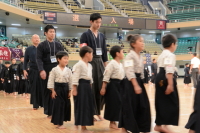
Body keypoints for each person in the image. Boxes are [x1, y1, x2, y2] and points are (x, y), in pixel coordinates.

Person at [119, 34, 151, 133]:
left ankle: (142, 127)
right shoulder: (129, 56)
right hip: (130, 83)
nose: (143, 43)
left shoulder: (140, 56)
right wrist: (135, 85)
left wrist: (141, 82)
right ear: (133, 44)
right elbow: (129, 71)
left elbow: (141, 72)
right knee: (130, 105)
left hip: (138, 81)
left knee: (143, 105)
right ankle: (124, 128)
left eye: (143, 41)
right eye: (140, 41)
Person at [80, 13, 108, 120]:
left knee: (101, 87)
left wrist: (106, 66)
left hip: (100, 62)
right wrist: (85, 65)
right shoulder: (85, 35)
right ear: (91, 22)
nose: (99, 24)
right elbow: (83, 51)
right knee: (91, 88)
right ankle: (91, 112)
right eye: (97, 22)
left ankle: (98, 111)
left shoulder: (101, 36)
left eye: (100, 22)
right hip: (90, 62)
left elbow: (104, 52)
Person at [37, 25, 64, 117]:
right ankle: (49, 112)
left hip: (57, 69)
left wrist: (64, 68)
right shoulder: (41, 45)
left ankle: (57, 111)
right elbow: (39, 59)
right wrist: (41, 70)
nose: (53, 34)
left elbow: (63, 57)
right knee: (47, 90)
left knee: (57, 90)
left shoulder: (58, 44)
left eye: (54, 32)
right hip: (46, 69)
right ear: (45, 33)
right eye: (51, 32)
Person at [154, 34, 179, 133]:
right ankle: (162, 125)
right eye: (175, 44)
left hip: (159, 77)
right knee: (172, 102)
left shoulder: (161, 54)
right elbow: (168, 69)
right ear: (172, 44)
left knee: (161, 101)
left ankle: (161, 124)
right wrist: (170, 84)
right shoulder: (170, 55)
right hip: (165, 78)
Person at [100, 45, 125, 129]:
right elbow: (106, 76)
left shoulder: (120, 64)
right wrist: (103, 87)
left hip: (120, 84)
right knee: (113, 103)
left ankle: (116, 120)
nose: (123, 54)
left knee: (119, 103)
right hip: (113, 85)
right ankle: (112, 122)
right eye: (122, 52)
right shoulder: (111, 64)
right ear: (117, 53)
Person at [72, 46, 94, 133]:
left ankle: (85, 126)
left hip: (88, 86)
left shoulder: (90, 65)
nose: (92, 56)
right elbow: (75, 77)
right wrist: (74, 89)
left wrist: (90, 87)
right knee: (82, 106)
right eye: (91, 54)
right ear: (87, 54)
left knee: (88, 106)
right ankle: (83, 128)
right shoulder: (78, 64)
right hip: (81, 86)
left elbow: (91, 78)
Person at [47, 51, 72, 129]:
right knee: (58, 105)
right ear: (58, 59)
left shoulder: (68, 70)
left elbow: (71, 81)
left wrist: (70, 90)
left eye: (67, 59)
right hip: (57, 88)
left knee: (65, 105)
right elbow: (50, 80)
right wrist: (53, 90)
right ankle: (59, 123)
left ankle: (62, 121)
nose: (66, 60)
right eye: (64, 58)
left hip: (65, 88)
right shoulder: (54, 70)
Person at [24, 34, 43, 109]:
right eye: (35, 38)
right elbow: (25, 60)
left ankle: (43, 103)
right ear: (32, 40)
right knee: (34, 87)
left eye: (38, 38)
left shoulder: (42, 48)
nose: (37, 39)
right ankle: (35, 104)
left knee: (42, 86)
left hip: (42, 69)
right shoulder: (29, 49)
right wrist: (24, 69)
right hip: (33, 69)